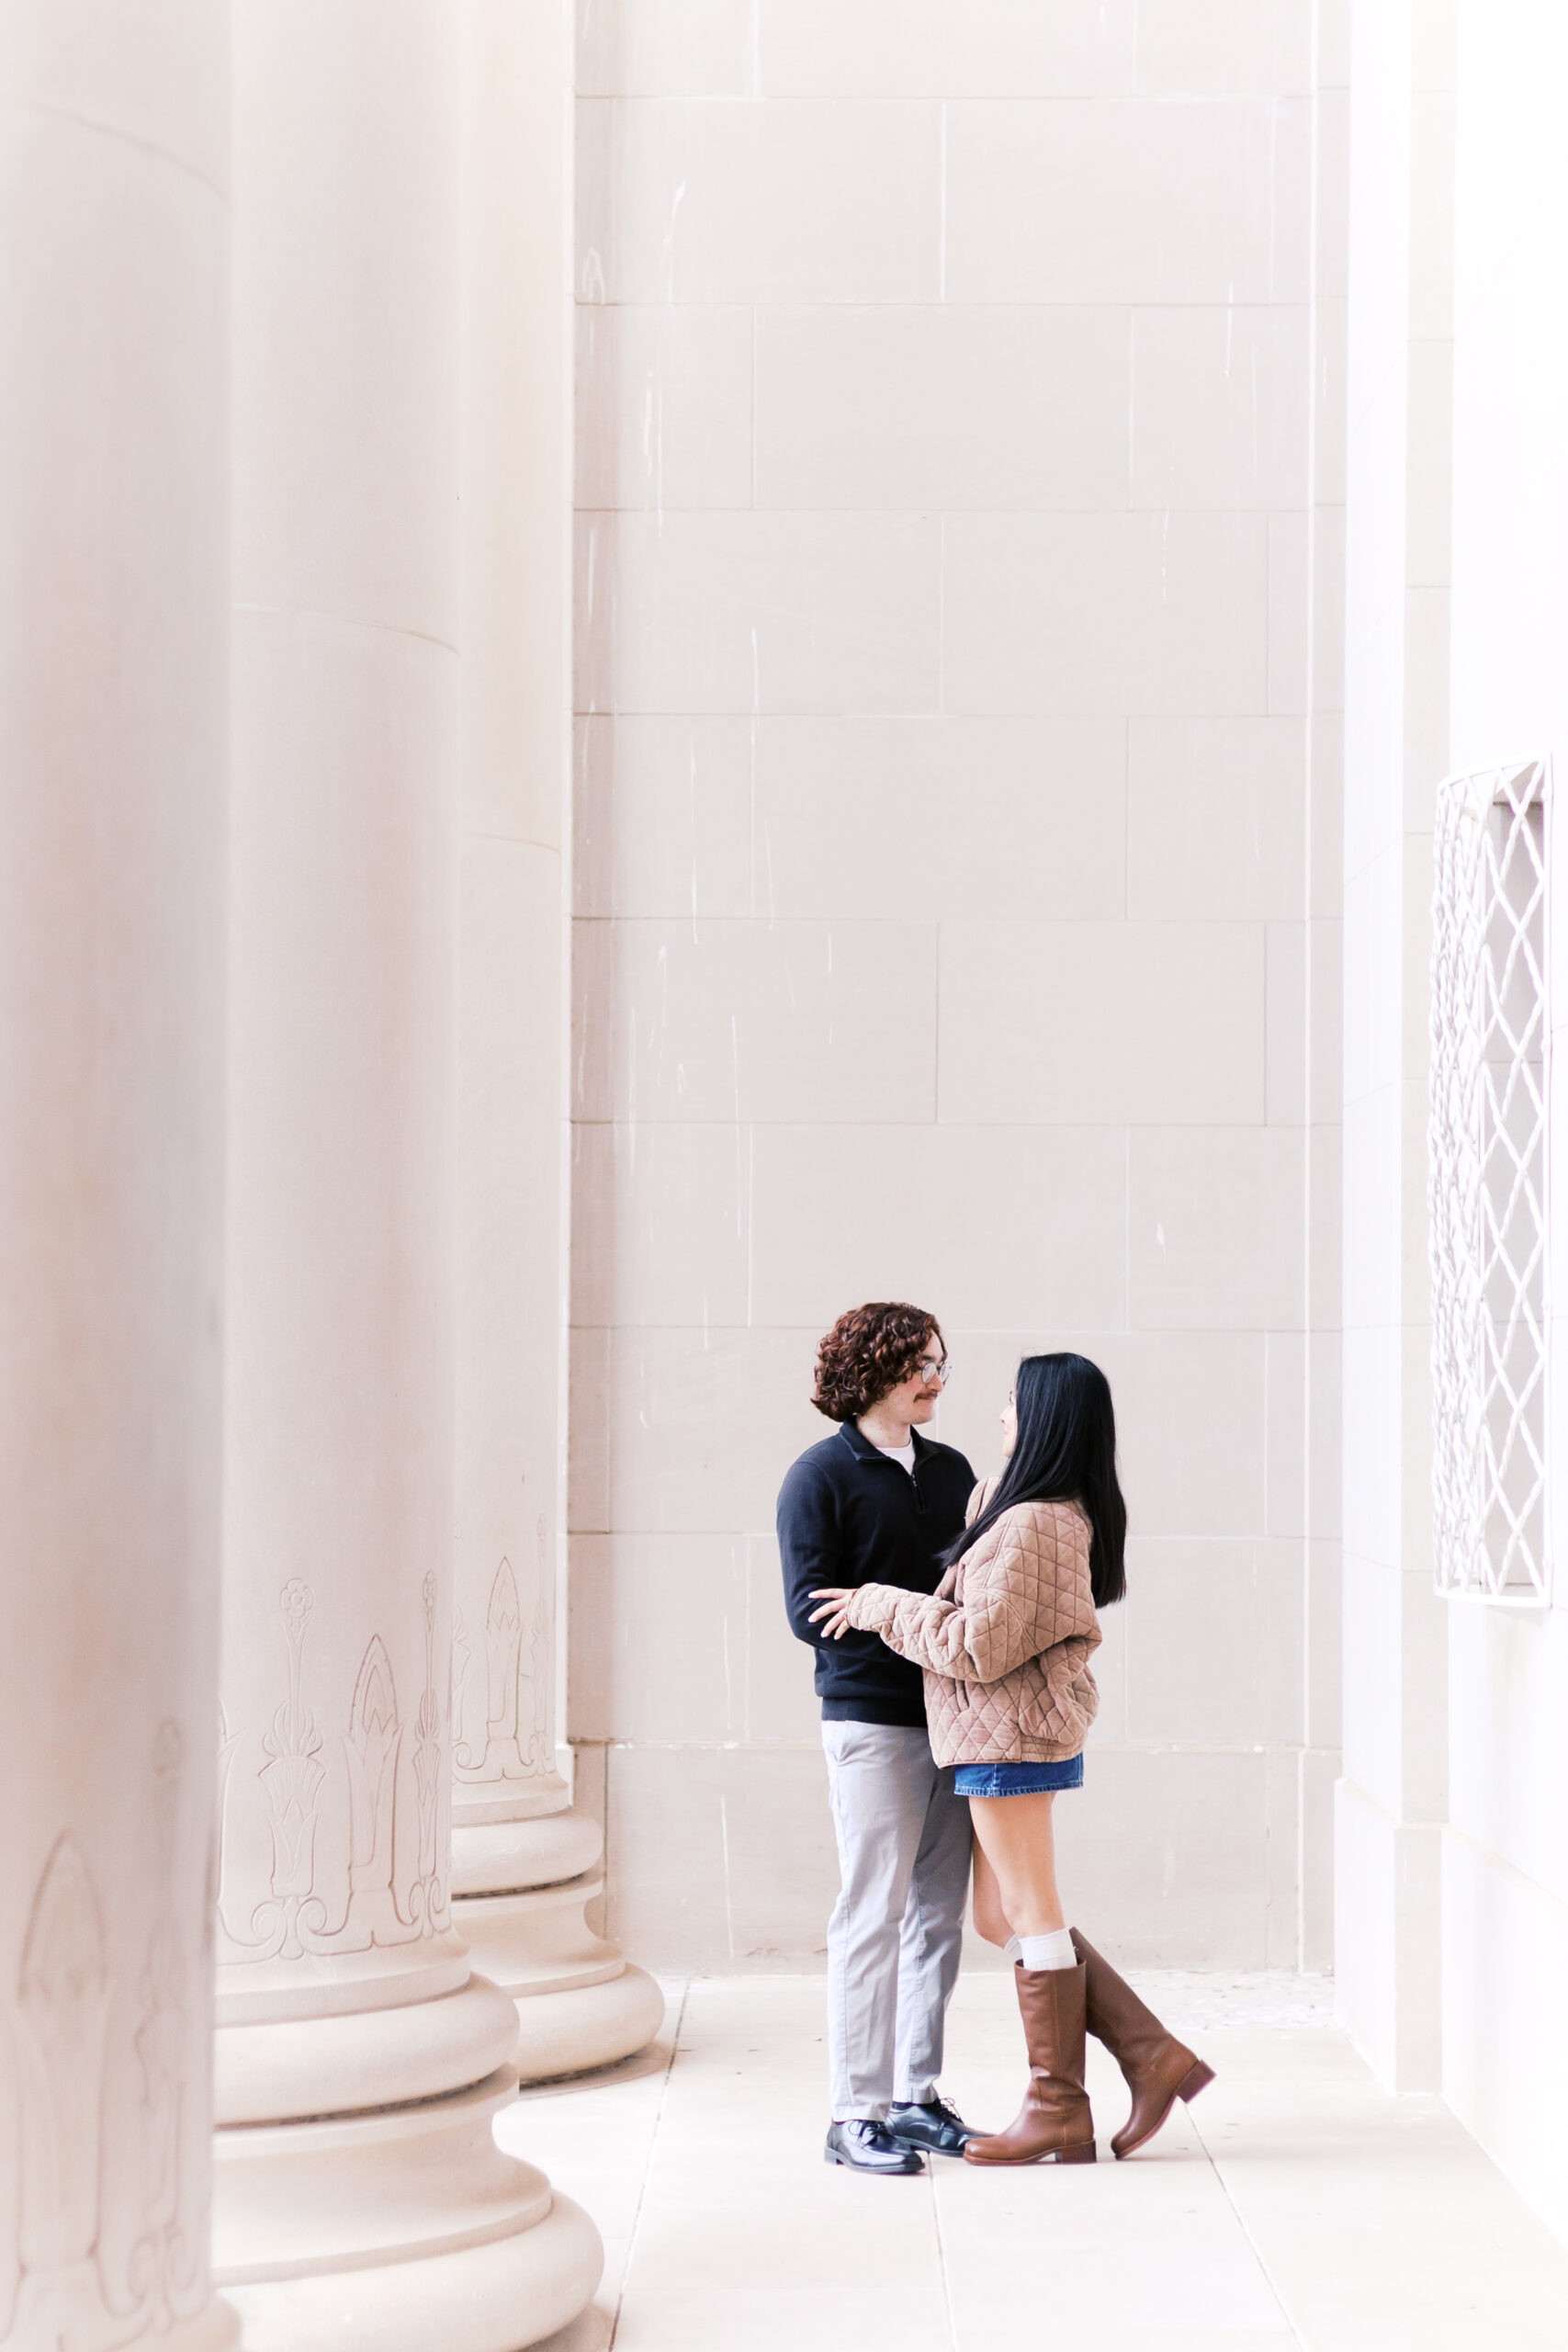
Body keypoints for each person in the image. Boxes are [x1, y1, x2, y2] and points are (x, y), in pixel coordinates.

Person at [812, 1351, 1213, 2167]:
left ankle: (1059, 2110)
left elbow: (977, 1645)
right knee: (1003, 1917)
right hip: (997, 1735)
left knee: (1027, 1914)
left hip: (1006, 1736)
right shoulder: (1012, 1503)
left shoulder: (1036, 1521)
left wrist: (875, 1602)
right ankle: (1150, 2055)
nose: (996, 1412)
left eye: (1010, 1401)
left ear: (1043, 1418)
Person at [778, 1301, 979, 2177]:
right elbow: (811, 1615)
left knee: (938, 1914)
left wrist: (894, 1608)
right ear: (873, 1371)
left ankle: (914, 2097)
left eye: (940, 1362)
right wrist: (920, 1619)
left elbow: (976, 1594)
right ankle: (852, 2114)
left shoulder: (955, 1471)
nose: (935, 1377)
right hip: (870, 1725)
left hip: (959, 1721)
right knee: (871, 1913)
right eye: (918, 1363)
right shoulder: (817, 1477)